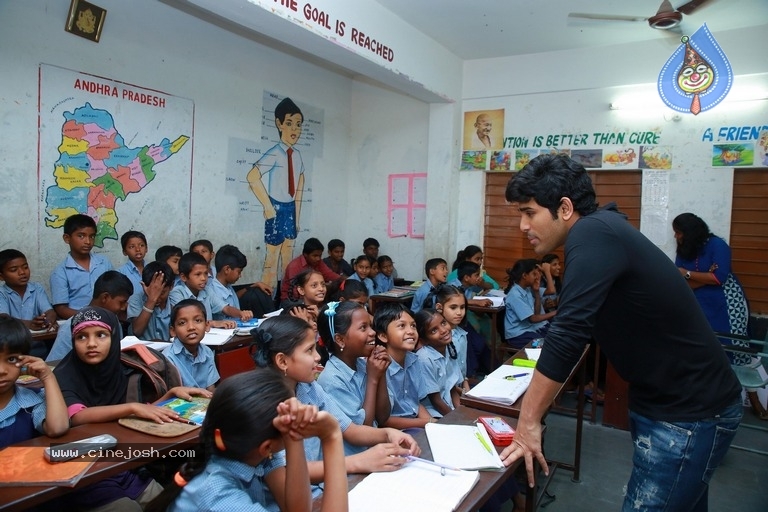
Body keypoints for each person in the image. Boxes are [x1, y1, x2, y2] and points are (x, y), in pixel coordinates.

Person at [500, 154, 742, 512]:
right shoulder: (603, 229)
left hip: (689, 411)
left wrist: (528, 422)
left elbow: (569, 331)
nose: (522, 225)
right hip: (671, 403)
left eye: (529, 212)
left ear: (564, 208)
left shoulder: (593, 233)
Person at [53, 306, 212, 510]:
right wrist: (132, 407)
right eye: (81, 337)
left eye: (101, 335)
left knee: (167, 502)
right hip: (85, 471)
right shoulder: (65, 374)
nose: (91, 344)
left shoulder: (120, 368)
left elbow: (131, 416)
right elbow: (77, 416)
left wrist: (168, 396)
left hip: (123, 466)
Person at [250, 315, 419, 496]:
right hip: (300, 496)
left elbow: (350, 429)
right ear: (282, 361)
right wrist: (358, 461)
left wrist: (387, 433)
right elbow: (287, 472)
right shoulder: (266, 407)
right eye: (309, 350)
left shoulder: (309, 387)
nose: (317, 357)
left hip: (325, 484)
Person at [149, 370, 348, 512]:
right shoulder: (217, 497)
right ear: (267, 447)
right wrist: (331, 437)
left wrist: (292, 436)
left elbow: (297, 509)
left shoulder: (251, 451)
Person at [673, 212, 766, 419]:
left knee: (737, 350)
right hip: (699, 303)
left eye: (679, 233)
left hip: (727, 305)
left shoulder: (718, 246)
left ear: (690, 232)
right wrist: (705, 276)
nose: (676, 237)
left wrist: (687, 273)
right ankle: (710, 401)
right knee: (705, 350)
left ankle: (754, 400)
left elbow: (719, 278)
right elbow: (683, 283)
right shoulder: (684, 249)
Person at [247, 97, 306, 290]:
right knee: (271, 259)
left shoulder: (297, 156)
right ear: (279, 124)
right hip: (276, 208)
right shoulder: (274, 153)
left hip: (289, 209)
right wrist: (267, 206)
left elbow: (299, 189)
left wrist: (296, 218)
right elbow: (252, 176)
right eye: (289, 123)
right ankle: (267, 300)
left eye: (298, 125)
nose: (294, 129)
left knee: (288, 261)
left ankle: (285, 299)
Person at [316, 301, 391, 452]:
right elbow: (363, 429)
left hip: (374, 450)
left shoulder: (363, 364)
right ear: (340, 340)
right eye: (363, 327)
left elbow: (383, 417)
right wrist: (373, 379)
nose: (372, 332)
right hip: (353, 459)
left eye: (370, 325)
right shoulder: (332, 380)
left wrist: (380, 373)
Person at [0, 315, 68, 448]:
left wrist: (48, 377)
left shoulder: (32, 400)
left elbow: (57, 428)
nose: (2, 370)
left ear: (25, 361)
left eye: (12, 359)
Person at [46, 270, 133, 362]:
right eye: (122, 302)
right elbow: (53, 365)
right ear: (105, 297)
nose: (124, 308)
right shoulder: (70, 328)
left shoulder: (114, 320)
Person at [374, 303, 435, 428]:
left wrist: (433, 423)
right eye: (402, 326)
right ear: (383, 336)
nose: (411, 331)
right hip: (393, 431)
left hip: (415, 423)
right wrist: (427, 422)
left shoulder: (414, 360)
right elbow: (384, 420)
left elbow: (415, 403)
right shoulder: (380, 366)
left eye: (413, 326)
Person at [50, 213, 113, 319]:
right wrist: (90, 317)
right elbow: (61, 309)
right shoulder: (60, 272)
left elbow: (115, 292)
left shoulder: (104, 262)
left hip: (108, 319)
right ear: (67, 238)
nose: (88, 241)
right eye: (81, 236)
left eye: (92, 236)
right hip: (79, 324)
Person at [414, 309, 463, 417]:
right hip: (434, 413)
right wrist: (456, 419)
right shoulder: (425, 358)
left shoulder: (449, 348)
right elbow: (436, 401)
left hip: (449, 408)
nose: (443, 330)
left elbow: (452, 389)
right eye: (434, 330)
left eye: (443, 323)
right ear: (423, 340)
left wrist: (461, 413)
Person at [168, 252, 237, 329]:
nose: (203, 278)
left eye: (206, 273)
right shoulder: (177, 293)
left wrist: (242, 314)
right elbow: (187, 320)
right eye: (198, 274)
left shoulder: (206, 290)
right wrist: (213, 323)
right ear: (184, 277)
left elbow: (225, 308)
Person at [163, 299, 219, 391]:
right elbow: (173, 395)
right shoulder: (168, 358)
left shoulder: (207, 352)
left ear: (207, 325)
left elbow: (211, 389)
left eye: (197, 320)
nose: (191, 327)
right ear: (173, 331)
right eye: (182, 323)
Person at [0, 249, 58, 334]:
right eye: (13, 270)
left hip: (39, 342)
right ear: (1, 276)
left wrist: (47, 322)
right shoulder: (2, 293)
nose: (22, 272)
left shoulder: (37, 288)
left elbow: (49, 311)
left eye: (25, 267)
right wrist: (30, 324)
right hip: (12, 344)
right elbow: (3, 318)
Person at [503, 259, 556, 349]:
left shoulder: (526, 289)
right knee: (548, 346)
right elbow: (533, 319)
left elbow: (537, 313)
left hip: (529, 329)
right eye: (534, 274)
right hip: (518, 335)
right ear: (524, 275)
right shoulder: (515, 295)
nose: (536, 277)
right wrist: (556, 312)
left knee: (556, 339)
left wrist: (536, 293)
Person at [127, 261, 175, 341]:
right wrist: (151, 300)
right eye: (151, 292)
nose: (156, 297)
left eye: (161, 293)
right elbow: (137, 331)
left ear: (171, 286)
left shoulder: (175, 301)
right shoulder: (136, 299)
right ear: (144, 286)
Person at [208, 245, 254, 322]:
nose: (240, 276)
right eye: (239, 272)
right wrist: (241, 313)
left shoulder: (228, 287)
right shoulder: (212, 290)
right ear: (227, 269)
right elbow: (227, 309)